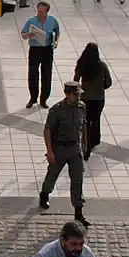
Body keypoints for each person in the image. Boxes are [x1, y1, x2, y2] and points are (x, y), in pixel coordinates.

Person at [40, 82, 89, 226]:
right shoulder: (57, 110)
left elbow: (83, 126)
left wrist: (85, 144)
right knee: (52, 175)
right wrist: (49, 151)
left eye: (79, 94)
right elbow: (47, 130)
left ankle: (78, 212)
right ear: (67, 94)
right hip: (59, 148)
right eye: (75, 94)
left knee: (77, 179)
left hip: (75, 148)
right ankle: (45, 194)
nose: (78, 97)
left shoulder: (81, 107)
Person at [72, 43, 111, 160]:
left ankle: (85, 142)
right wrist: (100, 87)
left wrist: (81, 91)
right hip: (98, 99)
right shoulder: (102, 66)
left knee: (85, 121)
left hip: (85, 98)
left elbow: (75, 80)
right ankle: (94, 140)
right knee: (96, 119)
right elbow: (109, 82)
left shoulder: (82, 65)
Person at [21, 1, 60, 110]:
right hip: (35, 50)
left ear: (46, 12)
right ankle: (33, 98)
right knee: (33, 74)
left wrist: (56, 41)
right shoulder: (31, 21)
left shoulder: (53, 21)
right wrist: (29, 35)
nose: (39, 13)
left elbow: (57, 32)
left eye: (41, 11)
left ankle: (44, 99)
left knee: (46, 75)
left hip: (47, 50)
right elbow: (23, 35)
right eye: (38, 11)